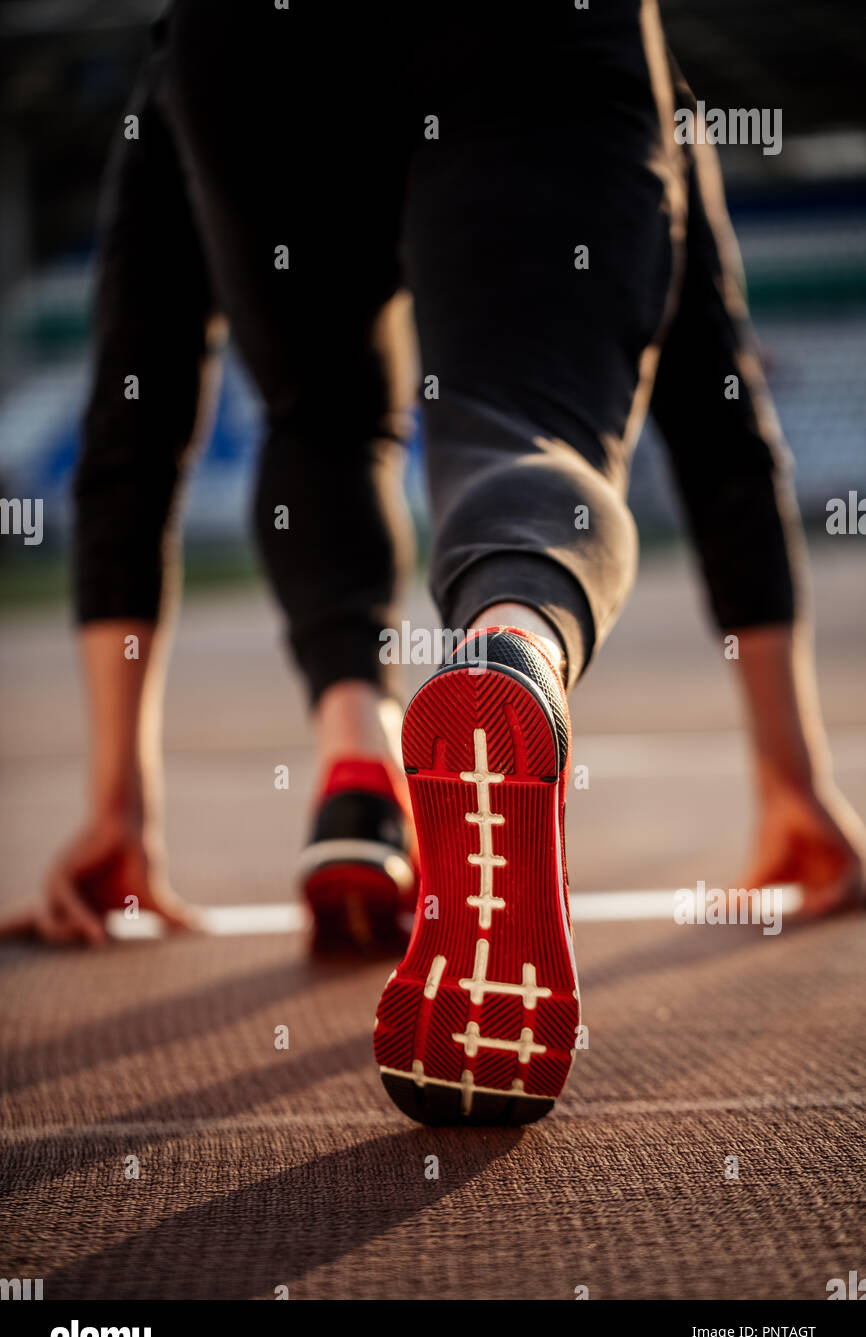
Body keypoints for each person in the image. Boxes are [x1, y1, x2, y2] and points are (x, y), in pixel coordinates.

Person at [12, 2, 864, 1123]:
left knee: (320, 414)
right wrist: (792, 783)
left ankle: (355, 768)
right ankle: (512, 643)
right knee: (523, 426)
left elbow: (135, 418)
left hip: (251, 48)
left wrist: (116, 803)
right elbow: (719, 415)